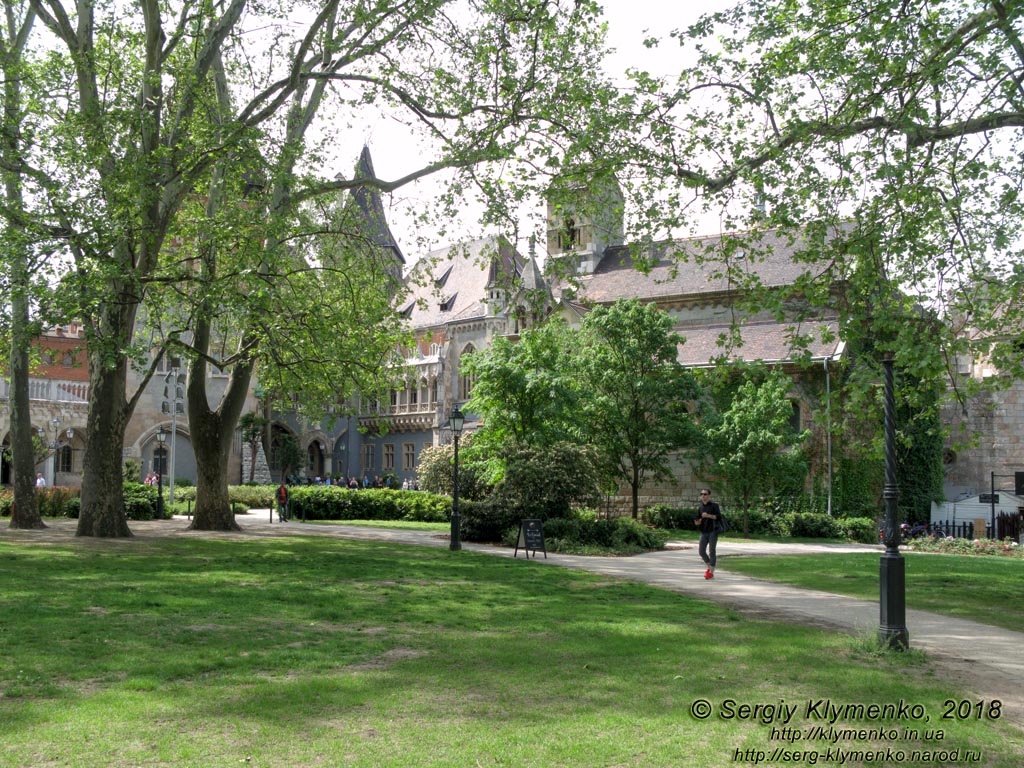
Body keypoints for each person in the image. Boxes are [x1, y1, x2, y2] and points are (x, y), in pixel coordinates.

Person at [694, 488, 722, 579]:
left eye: (705, 494)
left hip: (713, 531)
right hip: (703, 531)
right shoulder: (700, 506)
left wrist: (709, 516)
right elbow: (697, 518)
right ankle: (710, 568)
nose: (703, 495)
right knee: (701, 551)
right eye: (702, 494)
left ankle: (711, 572)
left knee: (712, 551)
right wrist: (697, 522)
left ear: (709, 495)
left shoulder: (714, 506)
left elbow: (719, 517)